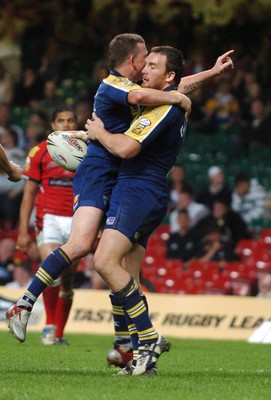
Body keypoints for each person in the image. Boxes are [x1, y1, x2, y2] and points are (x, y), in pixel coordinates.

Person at [6, 33, 234, 365]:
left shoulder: (147, 95)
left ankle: (128, 344)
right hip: (99, 173)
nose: (145, 66)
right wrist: (179, 101)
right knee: (86, 247)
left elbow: (174, 87)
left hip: (125, 177)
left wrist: (209, 76)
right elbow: (162, 92)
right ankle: (24, 304)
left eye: (152, 63)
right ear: (131, 60)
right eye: (145, 59)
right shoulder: (114, 84)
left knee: (118, 266)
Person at [83, 45, 188, 375]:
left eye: (153, 66)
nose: (145, 70)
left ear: (169, 76)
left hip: (139, 189)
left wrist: (99, 133)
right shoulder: (165, 99)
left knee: (103, 261)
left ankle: (148, 338)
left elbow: (127, 149)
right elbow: (184, 88)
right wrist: (213, 73)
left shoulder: (161, 110)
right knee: (129, 273)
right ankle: (144, 358)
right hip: (142, 190)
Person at [15, 107, 79, 345]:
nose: (65, 124)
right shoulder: (40, 152)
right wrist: (23, 230)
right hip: (48, 218)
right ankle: (49, 327)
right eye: (60, 121)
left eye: (70, 120)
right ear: (53, 125)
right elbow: (29, 193)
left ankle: (60, 333)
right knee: (52, 270)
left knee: (69, 280)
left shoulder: (88, 151)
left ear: (76, 123)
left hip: (78, 220)